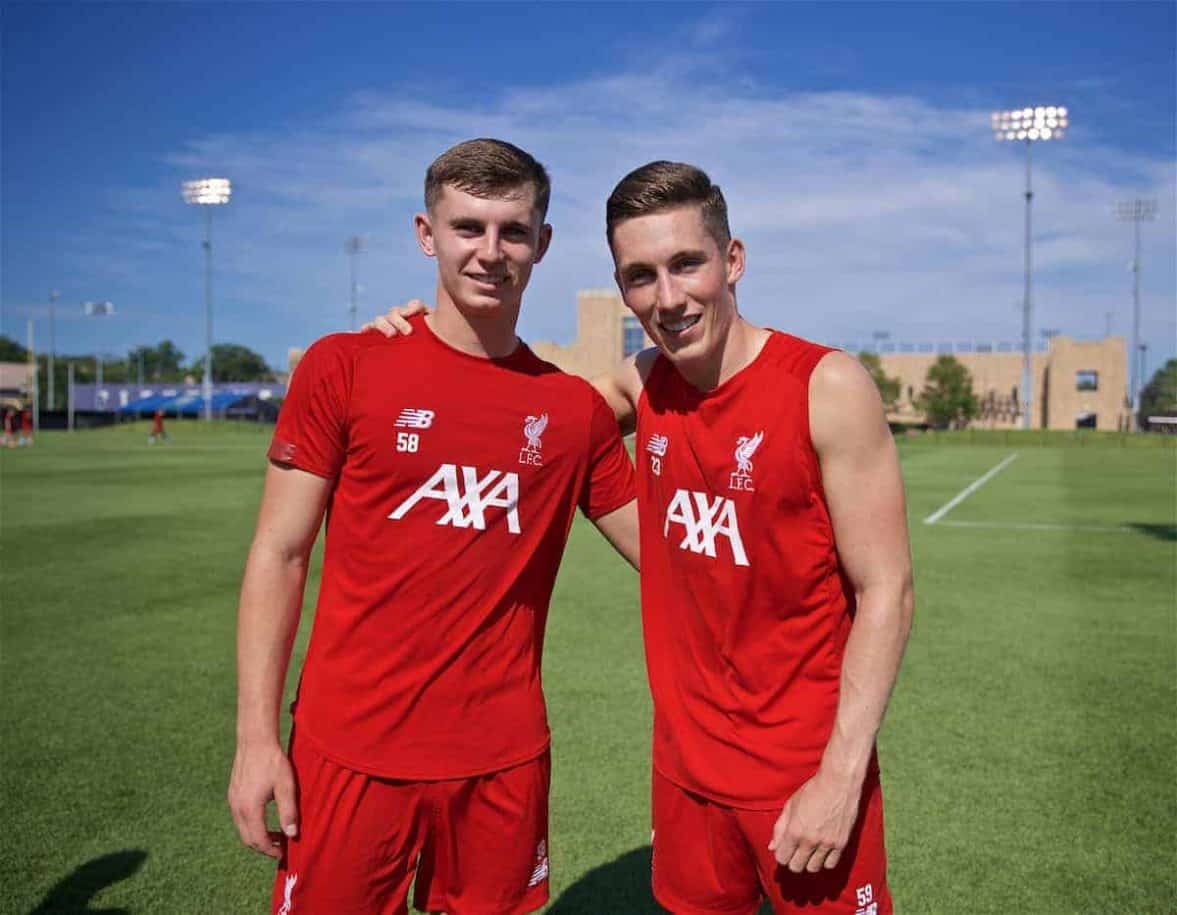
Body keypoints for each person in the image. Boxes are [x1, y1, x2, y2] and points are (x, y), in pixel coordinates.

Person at [370, 160, 913, 915]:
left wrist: (841, 773)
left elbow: (885, 588)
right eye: (640, 275)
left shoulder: (825, 387)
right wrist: (423, 341)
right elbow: (514, 416)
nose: (668, 297)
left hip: (804, 767)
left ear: (732, 260)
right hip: (685, 773)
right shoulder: (639, 381)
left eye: (686, 263)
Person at [229, 138, 639, 915]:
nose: (491, 251)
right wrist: (256, 740)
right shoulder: (345, 366)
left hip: (502, 760)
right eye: (467, 227)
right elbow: (279, 554)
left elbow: (672, 554)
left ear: (541, 243)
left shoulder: (570, 412)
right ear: (427, 233)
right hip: (350, 748)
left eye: (513, 230)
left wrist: (669, 371)